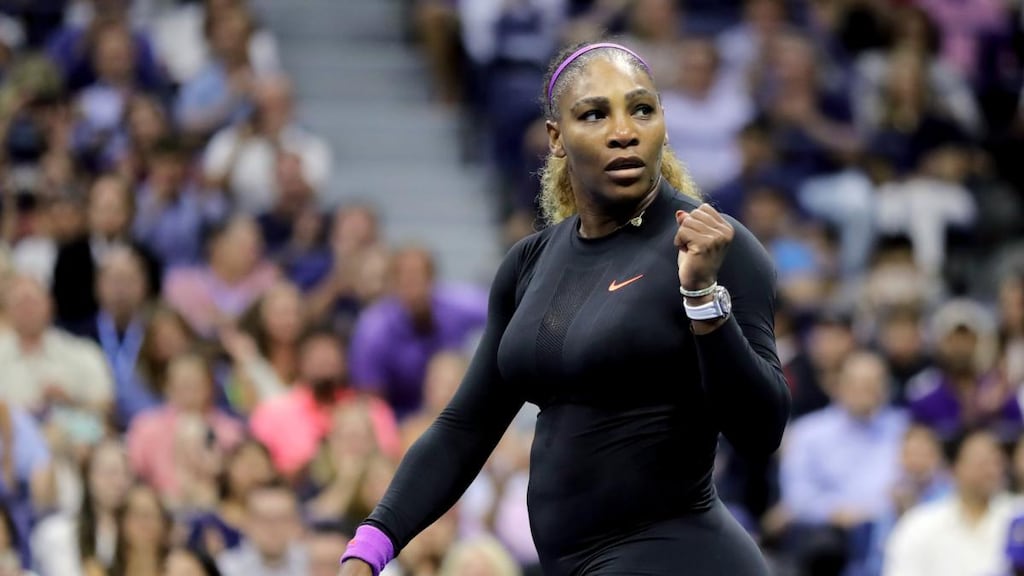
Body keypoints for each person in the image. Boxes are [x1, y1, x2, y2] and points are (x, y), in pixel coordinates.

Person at [338, 40, 791, 576]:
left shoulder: (709, 244)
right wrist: (371, 546)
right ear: (556, 137)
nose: (623, 130)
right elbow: (467, 426)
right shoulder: (529, 264)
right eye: (594, 114)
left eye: (641, 109)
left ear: (663, 125)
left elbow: (761, 431)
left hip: (681, 556)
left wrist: (701, 298)